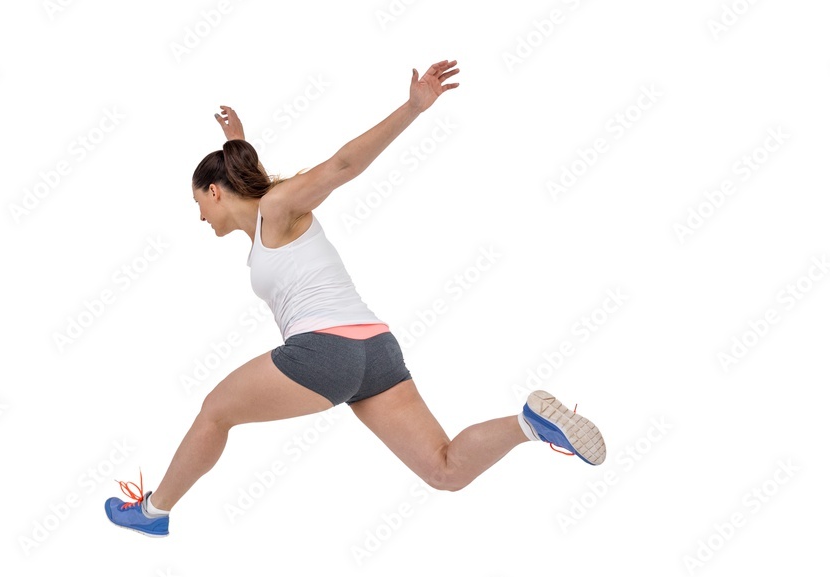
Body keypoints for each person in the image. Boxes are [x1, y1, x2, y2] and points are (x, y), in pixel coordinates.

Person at [105, 59, 606, 537]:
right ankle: (530, 425)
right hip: (377, 351)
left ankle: (153, 512)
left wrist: (412, 107)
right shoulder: (265, 224)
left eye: (198, 203)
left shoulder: (277, 208)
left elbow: (343, 164)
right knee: (444, 469)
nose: (199, 219)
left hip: (326, 351)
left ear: (214, 191)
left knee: (215, 410)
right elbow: (246, 183)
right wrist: (236, 140)